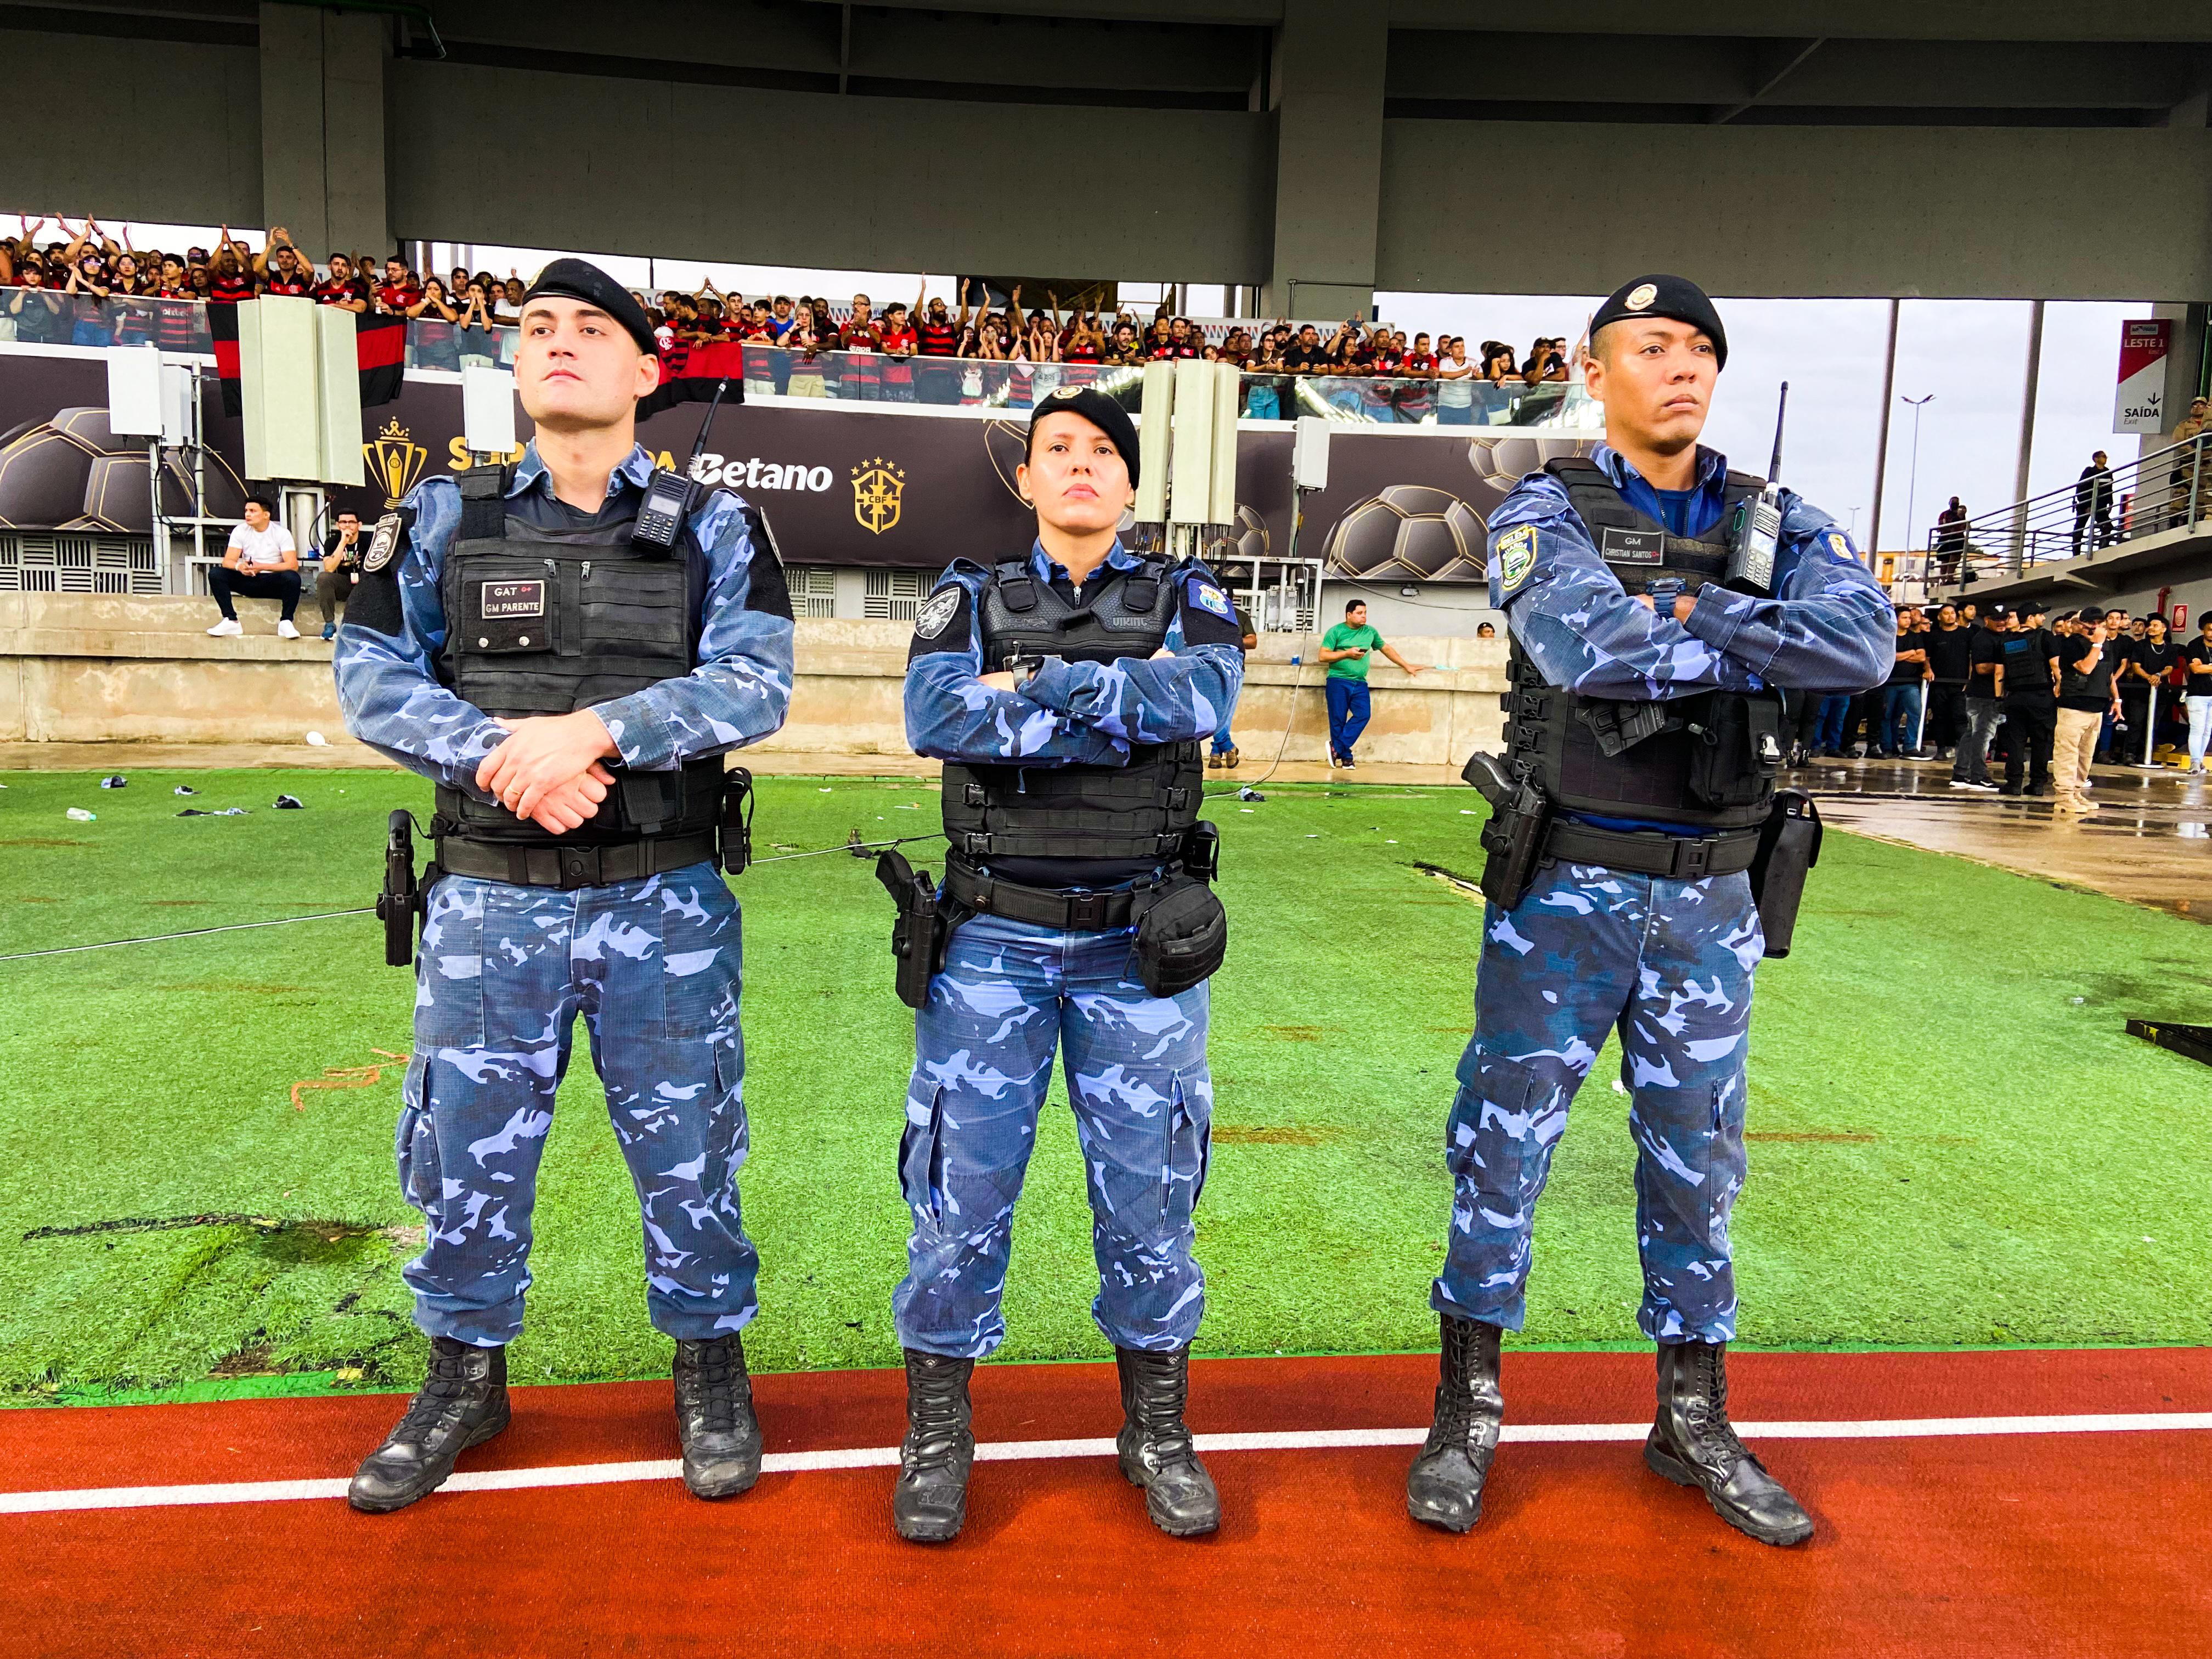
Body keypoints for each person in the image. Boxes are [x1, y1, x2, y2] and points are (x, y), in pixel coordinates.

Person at [1407, 274, 1891, 1550]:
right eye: (1652, 346)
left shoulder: (1773, 518)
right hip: (1568, 893)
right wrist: (1752, 631)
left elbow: (1866, 648)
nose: (1681, 367)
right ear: (1599, 369)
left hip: (1711, 899)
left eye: (1700, 350)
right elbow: (1586, 649)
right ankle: (1466, 1409)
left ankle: (1692, 1419)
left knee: (1699, 1164)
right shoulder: (1543, 509)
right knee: (1502, 1147)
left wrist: (1701, 609)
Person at [331, 259, 796, 1515]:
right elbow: (369, 672)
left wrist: (588, 733)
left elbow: (756, 683)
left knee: (691, 1150)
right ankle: (464, 1378)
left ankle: (709, 1371)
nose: (560, 343)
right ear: (514, 364)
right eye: (537, 327)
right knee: (465, 1155)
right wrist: (501, 757)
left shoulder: (716, 525)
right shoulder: (440, 517)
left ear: (648, 372)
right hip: (490, 898)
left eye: (594, 329)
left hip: (666, 899)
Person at [887, 385, 1244, 1545]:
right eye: (1058, 452)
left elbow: (1201, 696)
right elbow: (939, 717)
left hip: (1138, 950)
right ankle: (939, 1440)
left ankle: (1156, 1433)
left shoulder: (1192, 596)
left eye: (1103, 454)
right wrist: (1116, 704)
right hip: (991, 942)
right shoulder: (967, 596)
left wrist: (1033, 687)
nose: (1081, 467)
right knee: (957, 1201)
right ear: (1027, 479)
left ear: (1131, 488)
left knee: (1151, 1202)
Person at [1320, 600, 1425, 768]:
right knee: (1338, 719)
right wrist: (1348, 653)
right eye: (1360, 613)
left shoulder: (1370, 632)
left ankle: (1337, 748)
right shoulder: (1336, 631)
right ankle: (1346, 758)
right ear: (1349, 615)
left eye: (1365, 613)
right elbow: (1323, 656)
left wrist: (1407, 665)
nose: (1364, 617)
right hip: (1338, 681)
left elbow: (1386, 649)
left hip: (1360, 683)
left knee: (1363, 715)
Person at [2052, 608, 2120, 814]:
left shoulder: (2104, 647)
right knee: (2067, 753)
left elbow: (2108, 674)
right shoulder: (2072, 644)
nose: (2098, 628)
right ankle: (2064, 796)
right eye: (2094, 623)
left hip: (2096, 707)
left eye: (2101, 623)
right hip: (2074, 706)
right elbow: (2086, 668)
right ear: (2082, 625)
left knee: (2086, 755)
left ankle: (2076, 792)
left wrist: (2117, 699)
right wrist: (2097, 644)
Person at [207, 494, 303, 637]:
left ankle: (286, 622)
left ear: (266, 515)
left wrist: (262, 566)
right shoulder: (240, 531)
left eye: (253, 511)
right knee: (216, 573)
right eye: (246, 511)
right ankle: (231, 620)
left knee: (292, 577)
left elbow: (292, 565)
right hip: (249, 579)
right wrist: (240, 567)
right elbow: (227, 561)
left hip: (272, 581)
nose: (248, 515)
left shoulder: (281, 533)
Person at [1993, 607, 2059, 798]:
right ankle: (2037, 785)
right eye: (2040, 615)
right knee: (2042, 741)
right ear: (2031, 617)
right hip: (2041, 696)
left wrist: (1999, 698)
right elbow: (2056, 666)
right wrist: (2060, 689)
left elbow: (1999, 673)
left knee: (2015, 742)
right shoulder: (2045, 637)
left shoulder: (2006, 640)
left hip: (2015, 697)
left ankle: (2013, 784)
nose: (2044, 618)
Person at [1950, 604, 2010, 791]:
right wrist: (2008, 665)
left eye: (2003, 619)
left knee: (1972, 735)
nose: (2001, 623)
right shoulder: (1984, 639)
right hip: (1984, 695)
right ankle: (1979, 776)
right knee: (1983, 736)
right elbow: (1981, 668)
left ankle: (1960, 775)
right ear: (1986, 620)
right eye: (1996, 619)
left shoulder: (1999, 637)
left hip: (1979, 695)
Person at [1208, 600, 1259, 768]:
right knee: (1217, 712)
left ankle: (1216, 752)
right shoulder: (1208, 614)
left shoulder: (1240, 616)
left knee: (1227, 711)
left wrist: (1231, 640)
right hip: (1210, 668)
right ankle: (1228, 748)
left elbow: (1252, 642)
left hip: (1235, 670)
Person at [1922, 601, 1972, 759]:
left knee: (1960, 717)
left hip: (1960, 684)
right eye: (1946, 613)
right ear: (1939, 617)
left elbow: (1972, 658)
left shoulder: (1966, 634)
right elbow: (1926, 657)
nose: (1950, 616)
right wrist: (1928, 669)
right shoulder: (1933, 636)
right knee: (1940, 717)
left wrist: (1969, 680)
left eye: (1953, 613)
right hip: (1939, 684)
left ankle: (1964, 752)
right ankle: (1941, 750)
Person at [315, 509, 368, 639]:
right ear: (338, 525)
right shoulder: (333, 542)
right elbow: (329, 568)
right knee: (323, 578)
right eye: (343, 522)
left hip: (365, 584)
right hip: (343, 583)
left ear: (359, 525)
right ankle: (329, 624)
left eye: (352, 522)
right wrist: (343, 542)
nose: (347, 525)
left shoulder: (369, 541)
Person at [2183, 614, 2212, 775]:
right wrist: (2203, 667)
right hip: (2198, 694)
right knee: (2197, 728)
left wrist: (2206, 667)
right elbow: (2196, 669)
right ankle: (2194, 761)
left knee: (2208, 729)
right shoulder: (2195, 645)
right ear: (2203, 630)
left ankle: (2200, 761)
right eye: (2210, 630)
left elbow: (2202, 668)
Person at [2073, 452, 2114, 553]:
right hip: (2086, 504)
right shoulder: (2089, 471)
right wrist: (2086, 504)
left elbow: (2109, 488)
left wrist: (2110, 502)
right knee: (2079, 528)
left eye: (2106, 457)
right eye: (2103, 457)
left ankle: (2102, 549)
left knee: (2107, 526)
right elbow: (2081, 488)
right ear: (2096, 459)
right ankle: (2076, 553)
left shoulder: (2107, 472)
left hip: (2100, 504)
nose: (2105, 458)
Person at [1933, 497, 1968, 584]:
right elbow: (1940, 528)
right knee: (1945, 560)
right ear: (1949, 503)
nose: (1955, 504)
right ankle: (1943, 580)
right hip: (1945, 540)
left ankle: (1949, 578)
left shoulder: (1961, 515)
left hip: (1957, 539)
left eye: (1957, 502)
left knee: (1954, 559)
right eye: (1953, 502)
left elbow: (1963, 526)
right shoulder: (1945, 514)